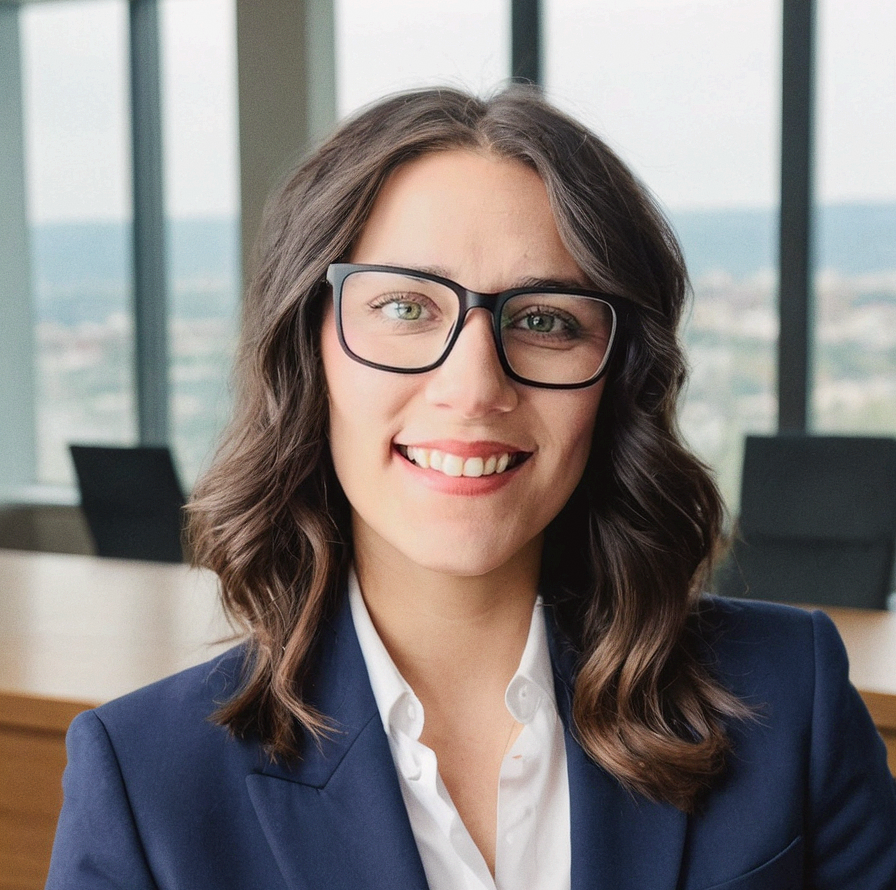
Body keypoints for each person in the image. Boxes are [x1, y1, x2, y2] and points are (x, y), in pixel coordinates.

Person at [46, 86, 896, 890]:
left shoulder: (793, 698)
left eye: (545, 320)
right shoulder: (143, 781)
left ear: (617, 381)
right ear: (310, 355)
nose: (475, 387)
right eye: (408, 308)